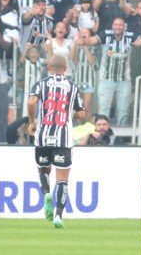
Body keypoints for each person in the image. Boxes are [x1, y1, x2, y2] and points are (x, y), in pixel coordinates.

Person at [28, 54, 85, 229]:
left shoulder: (41, 84)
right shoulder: (73, 87)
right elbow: (82, 114)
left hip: (43, 136)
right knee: (62, 180)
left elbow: (31, 103)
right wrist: (69, 113)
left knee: (43, 169)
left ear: (48, 68)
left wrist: (32, 122)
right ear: (65, 69)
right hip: (63, 138)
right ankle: (58, 215)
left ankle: (46, 193)